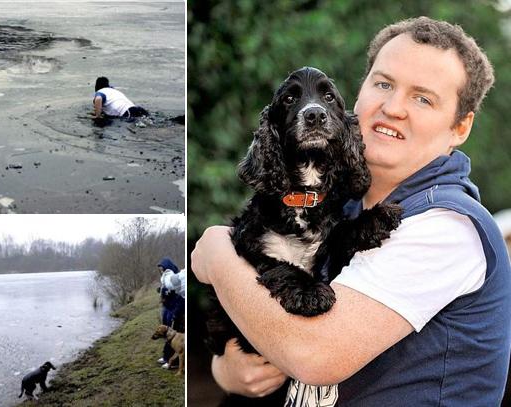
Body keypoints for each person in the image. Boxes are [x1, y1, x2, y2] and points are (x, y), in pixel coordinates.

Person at [192, 17, 511, 406]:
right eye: (384, 84)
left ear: (460, 127)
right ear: (357, 95)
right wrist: (226, 369)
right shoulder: (334, 204)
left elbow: (313, 355)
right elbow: (261, 329)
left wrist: (218, 258)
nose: (393, 108)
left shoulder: (447, 226)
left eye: (423, 98)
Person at [156, 257, 185, 369]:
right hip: (167, 309)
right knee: (166, 335)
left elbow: (180, 297)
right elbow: (165, 291)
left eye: (163, 269)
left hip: (175, 310)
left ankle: (173, 361)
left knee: (174, 337)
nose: (162, 272)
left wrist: (175, 313)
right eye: (161, 270)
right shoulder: (165, 279)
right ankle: (166, 357)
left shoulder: (177, 279)